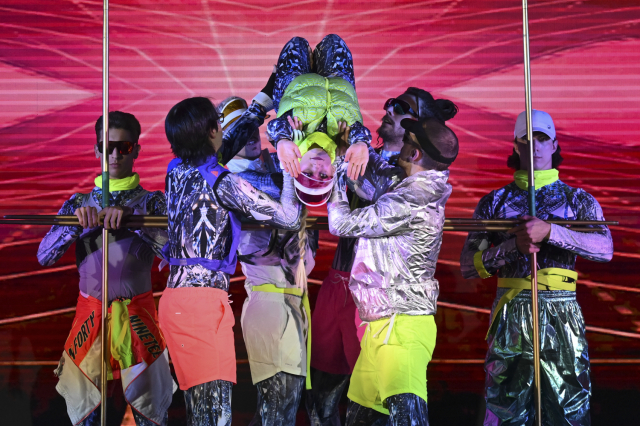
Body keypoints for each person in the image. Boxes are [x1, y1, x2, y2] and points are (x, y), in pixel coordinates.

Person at [306, 87, 456, 426]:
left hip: (401, 327)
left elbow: (342, 223)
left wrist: (337, 175)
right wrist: (351, 146)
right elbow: (372, 172)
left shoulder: (412, 196)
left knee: (407, 419)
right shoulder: (409, 183)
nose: (390, 113)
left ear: (415, 152)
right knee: (359, 418)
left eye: (407, 139)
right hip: (379, 320)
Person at [158, 79, 303, 425]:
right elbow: (289, 218)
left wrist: (263, 100)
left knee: (201, 414)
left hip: (175, 300)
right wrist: (289, 163)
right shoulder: (225, 182)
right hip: (203, 306)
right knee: (214, 418)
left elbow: (217, 150)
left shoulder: (175, 171)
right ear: (212, 131)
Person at [459, 110, 613, 425]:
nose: (535, 146)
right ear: (515, 146)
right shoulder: (494, 202)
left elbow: (604, 249)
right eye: (526, 139)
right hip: (511, 314)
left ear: (554, 144)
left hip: (562, 314)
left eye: (542, 138)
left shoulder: (578, 200)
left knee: (568, 411)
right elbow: (468, 265)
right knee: (506, 410)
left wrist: (552, 232)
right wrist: (511, 248)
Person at [37, 111, 174, 426]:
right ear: (97, 149)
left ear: (136, 150)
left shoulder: (153, 202)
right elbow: (44, 256)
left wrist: (136, 222)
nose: (114, 155)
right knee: (87, 417)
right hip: (90, 320)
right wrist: (74, 227)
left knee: (151, 416)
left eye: (123, 147)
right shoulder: (78, 203)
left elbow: (176, 252)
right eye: (107, 147)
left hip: (138, 319)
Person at [219, 95, 317, 426]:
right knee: (278, 408)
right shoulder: (232, 181)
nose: (249, 134)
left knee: (280, 410)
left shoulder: (273, 164)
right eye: (239, 128)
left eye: (252, 127)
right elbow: (286, 203)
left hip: (293, 300)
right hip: (269, 303)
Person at [267, 34, 370, 206]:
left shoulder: (291, 142)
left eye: (307, 172)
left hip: (295, 83)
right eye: (323, 175)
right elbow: (360, 131)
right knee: (334, 41)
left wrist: (282, 139)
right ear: (333, 171)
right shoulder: (343, 143)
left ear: (297, 167)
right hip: (338, 81)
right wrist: (361, 142)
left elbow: (274, 126)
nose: (316, 168)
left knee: (297, 43)